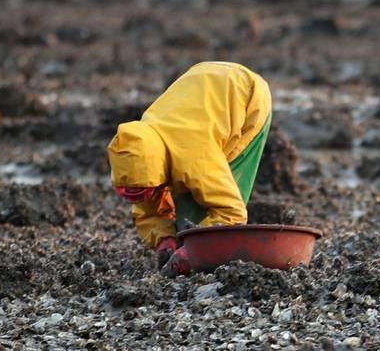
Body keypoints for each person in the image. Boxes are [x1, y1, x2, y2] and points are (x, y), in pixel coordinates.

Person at [107, 61, 272, 276]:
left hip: (246, 95)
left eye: (147, 192)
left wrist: (190, 251)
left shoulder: (195, 157)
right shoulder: (142, 146)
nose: (143, 197)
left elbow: (231, 211)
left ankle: (217, 264)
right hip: (202, 83)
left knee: (204, 208)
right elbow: (147, 211)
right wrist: (164, 240)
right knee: (184, 210)